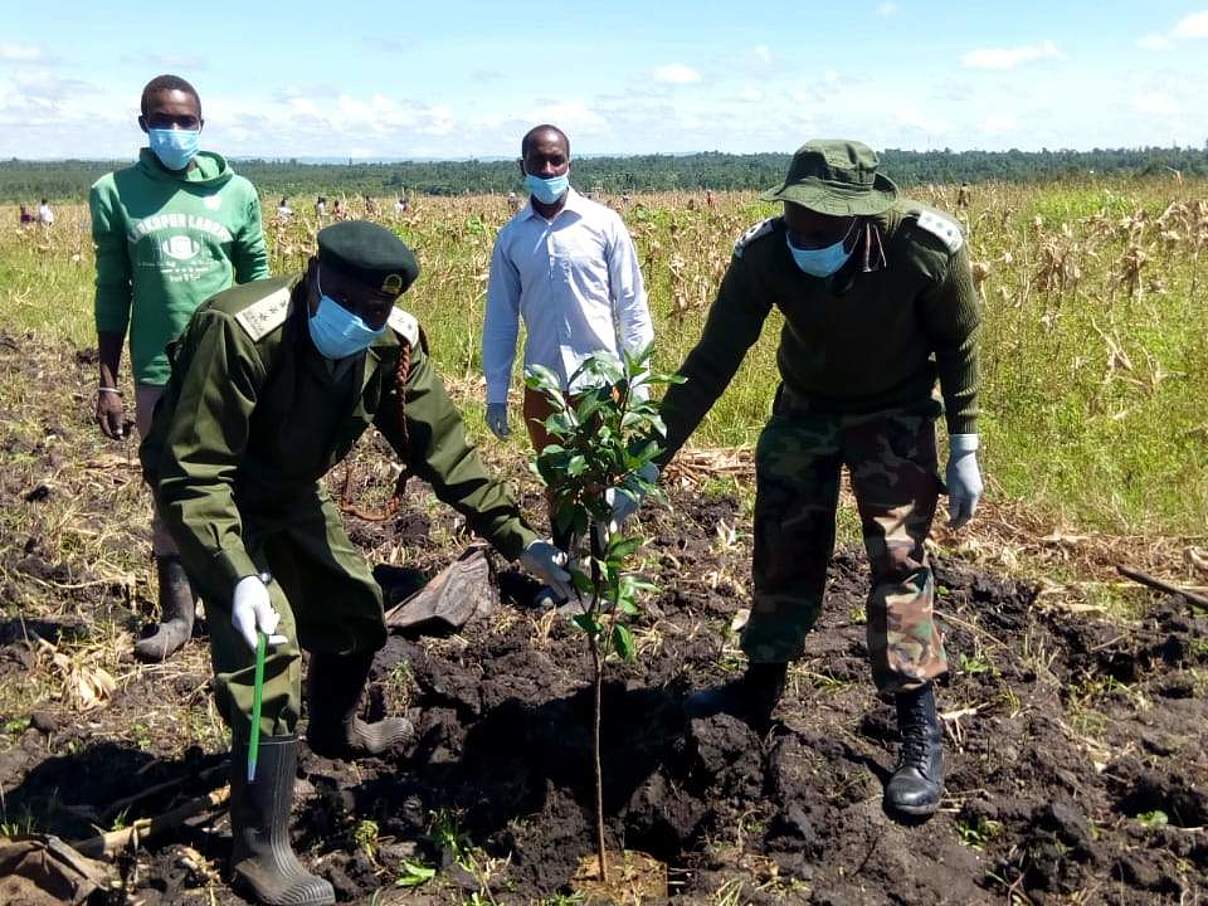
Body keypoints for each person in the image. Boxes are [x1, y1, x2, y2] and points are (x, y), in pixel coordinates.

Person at [139, 221, 571, 906]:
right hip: (213, 494)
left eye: (376, 310)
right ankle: (260, 851)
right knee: (267, 649)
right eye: (348, 304)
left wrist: (520, 540)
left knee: (353, 609)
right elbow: (193, 474)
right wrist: (238, 576)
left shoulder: (387, 344)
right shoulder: (241, 331)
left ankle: (334, 729)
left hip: (289, 492)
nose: (360, 321)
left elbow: (443, 450)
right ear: (314, 275)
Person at [616, 140, 983, 818]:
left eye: (822, 228)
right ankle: (760, 683)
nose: (804, 239)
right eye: (795, 221)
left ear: (861, 219)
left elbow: (958, 341)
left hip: (894, 416)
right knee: (782, 547)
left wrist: (965, 441)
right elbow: (711, 361)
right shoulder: (766, 255)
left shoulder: (925, 249)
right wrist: (647, 461)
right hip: (805, 410)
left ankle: (917, 727)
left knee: (899, 562)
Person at [90, 74, 269, 663]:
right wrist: (108, 381)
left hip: (228, 365)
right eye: (162, 121)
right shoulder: (114, 194)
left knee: (243, 476)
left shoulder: (237, 192)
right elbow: (113, 290)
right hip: (156, 370)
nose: (174, 130)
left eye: (185, 121)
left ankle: (247, 589)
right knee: (168, 486)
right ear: (143, 124)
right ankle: (177, 611)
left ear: (202, 124)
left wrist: (272, 366)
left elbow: (259, 284)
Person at [482, 123, 654, 600]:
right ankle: (565, 584)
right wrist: (496, 391)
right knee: (558, 484)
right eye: (539, 162)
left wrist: (638, 383)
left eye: (557, 160)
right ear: (523, 168)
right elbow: (500, 321)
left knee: (602, 485)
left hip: (601, 382)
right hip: (546, 386)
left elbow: (632, 309)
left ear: (570, 163)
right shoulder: (512, 238)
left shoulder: (603, 225)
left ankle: (603, 583)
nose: (549, 169)